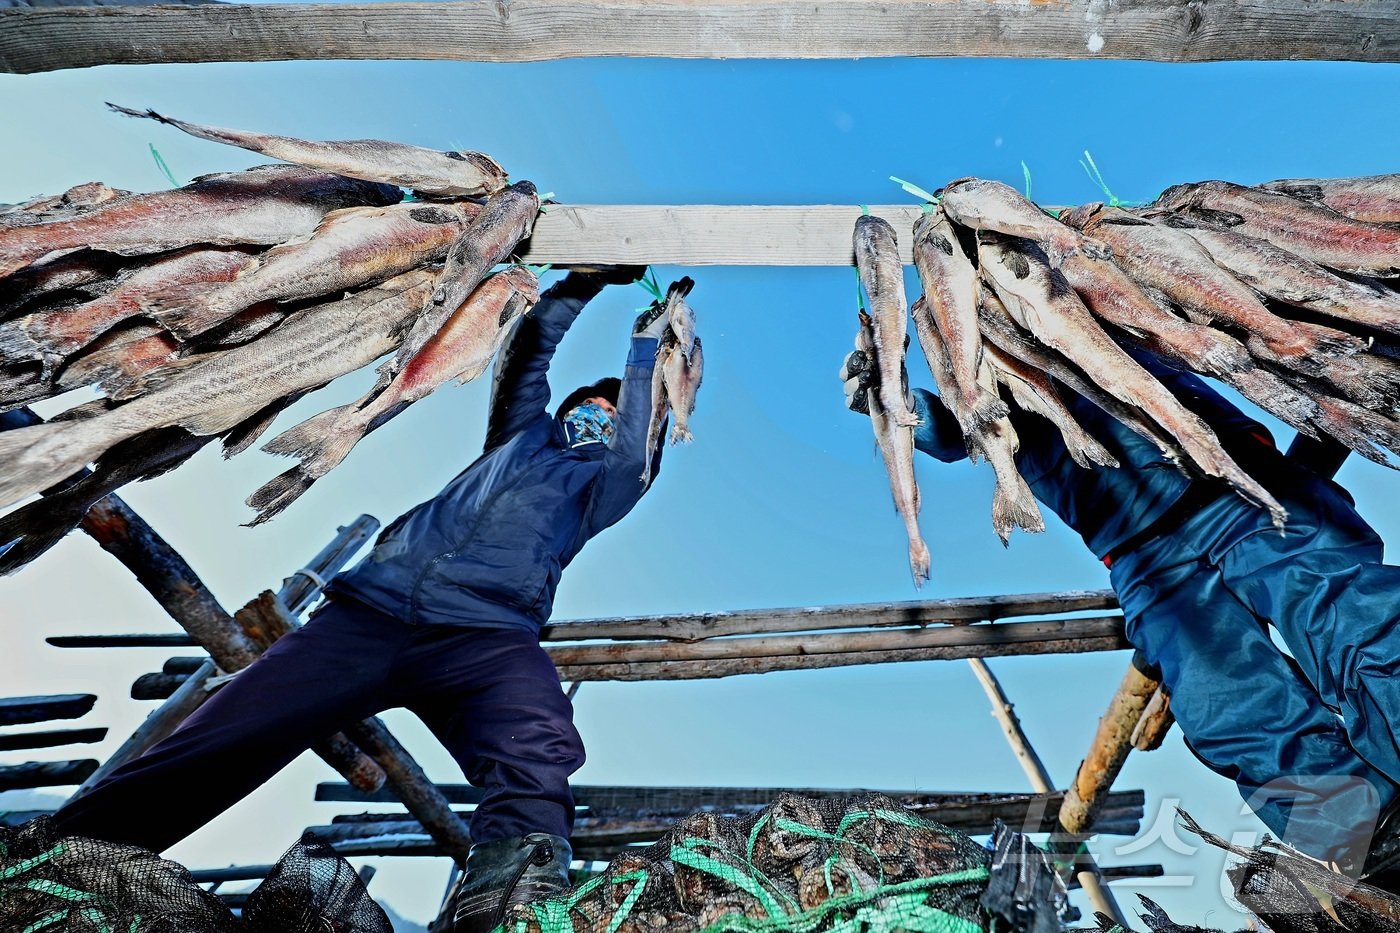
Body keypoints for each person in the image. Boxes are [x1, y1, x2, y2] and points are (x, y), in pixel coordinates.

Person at [51, 265, 671, 933]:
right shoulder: (521, 434)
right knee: (223, 735)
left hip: (485, 634)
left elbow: (639, 450)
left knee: (537, 740)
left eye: (612, 414)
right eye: (591, 405)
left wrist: (647, 351)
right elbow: (530, 350)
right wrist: (584, 282)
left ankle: (514, 905)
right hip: (368, 611)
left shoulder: (606, 484)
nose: (599, 416)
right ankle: (57, 866)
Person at [840, 343, 1400, 884]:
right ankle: (1373, 842)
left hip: (1230, 477)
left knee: (1352, 620)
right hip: (1141, 555)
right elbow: (949, 430)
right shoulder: (977, 368)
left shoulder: (1084, 285)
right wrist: (894, 400)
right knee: (1225, 706)